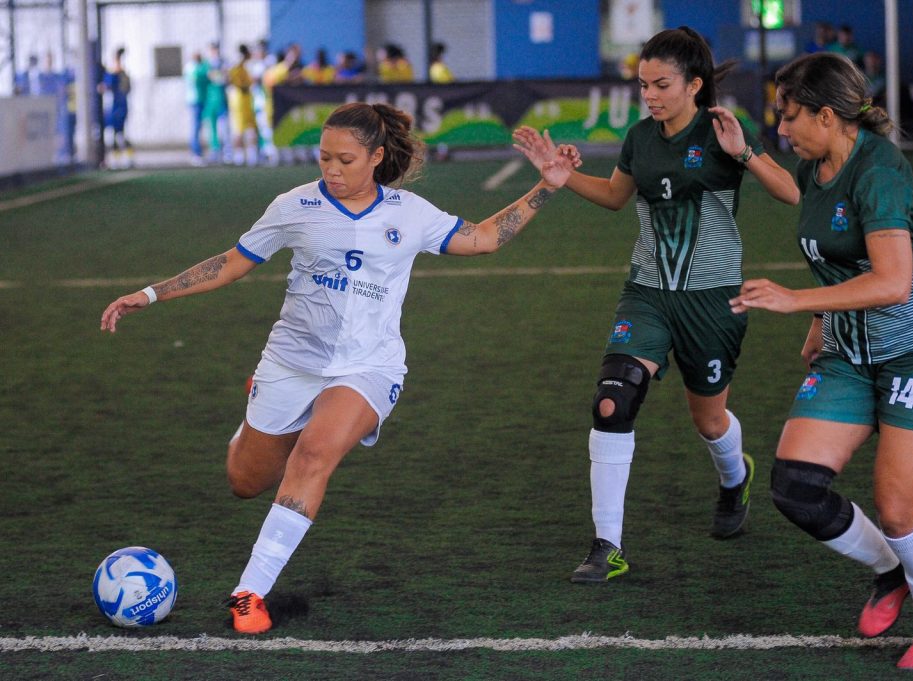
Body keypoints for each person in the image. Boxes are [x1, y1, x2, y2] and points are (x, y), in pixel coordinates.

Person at [99, 101, 572, 635]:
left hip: (370, 367)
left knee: (315, 452)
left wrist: (548, 186)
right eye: (324, 158)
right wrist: (151, 294)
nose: (331, 170)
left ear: (375, 157)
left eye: (345, 160)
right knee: (244, 481)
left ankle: (248, 593)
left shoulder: (409, 212)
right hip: (290, 362)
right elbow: (232, 262)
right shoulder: (292, 205)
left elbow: (485, 237)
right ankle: (258, 408)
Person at [513, 26, 799, 584]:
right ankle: (606, 546)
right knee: (612, 402)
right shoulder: (640, 137)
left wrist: (747, 155)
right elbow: (619, 197)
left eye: (661, 84)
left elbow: (789, 192)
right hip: (647, 292)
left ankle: (734, 476)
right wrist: (563, 178)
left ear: (695, 84)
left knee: (710, 420)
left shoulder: (722, 131)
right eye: (644, 84)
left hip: (713, 299)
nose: (649, 94)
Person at [730, 51, 913, 671]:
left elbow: (892, 281)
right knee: (796, 489)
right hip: (850, 350)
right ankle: (890, 572)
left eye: (788, 115)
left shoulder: (880, 170)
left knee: (897, 510)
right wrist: (818, 320)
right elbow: (830, 250)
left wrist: (796, 301)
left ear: (828, 116)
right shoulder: (816, 163)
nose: (780, 128)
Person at [97, 47, 133, 169]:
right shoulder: (118, 73)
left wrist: (103, 87)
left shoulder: (119, 74)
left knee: (119, 133)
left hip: (118, 107)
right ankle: (118, 158)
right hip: (115, 107)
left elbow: (106, 87)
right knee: (116, 133)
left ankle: (126, 157)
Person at [228, 44, 259, 166]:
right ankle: (239, 156)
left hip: (247, 99)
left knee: (251, 128)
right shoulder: (238, 66)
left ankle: (252, 155)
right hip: (240, 100)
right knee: (239, 129)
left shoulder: (248, 66)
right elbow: (234, 81)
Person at [184, 51, 209, 165]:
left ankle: (197, 152)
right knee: (195, 127)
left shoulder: (199, 67)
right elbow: (197, 79)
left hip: (200, 100)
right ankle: (195, 153)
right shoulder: (191, 68)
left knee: (198, 127)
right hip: (195, 101)